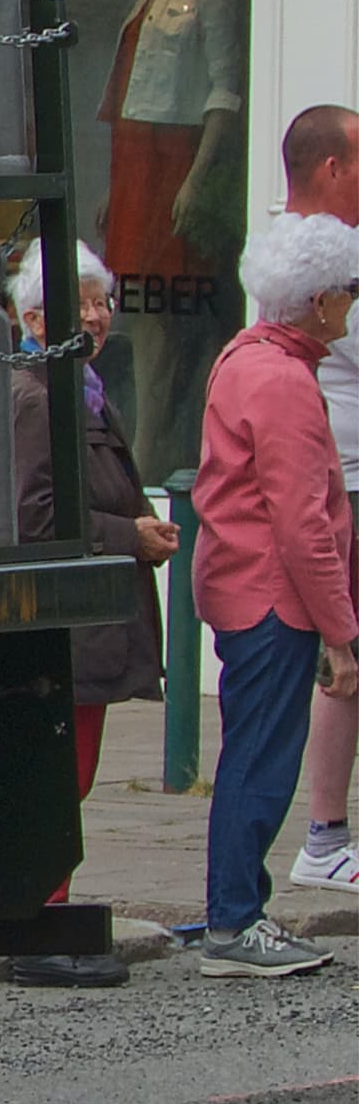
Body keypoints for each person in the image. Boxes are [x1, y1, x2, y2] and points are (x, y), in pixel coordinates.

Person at [188, 212, 359, 976]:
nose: (352, 306)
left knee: (250, 754)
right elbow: (302, 522)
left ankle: (237, 910)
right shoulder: (284, 380)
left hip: (245, 586)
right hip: (271, 596)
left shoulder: (245, 357)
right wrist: (342, 633)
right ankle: (235, 921)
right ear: (319, 300)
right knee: (260, 761)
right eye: (348, 292)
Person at [3, 243, 172, 989]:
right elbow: (35, 518)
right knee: (57, 777)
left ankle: (52, 916)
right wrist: (127, 535)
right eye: (82, 303)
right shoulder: (41, 397)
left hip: (92, 625)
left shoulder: (81, 387)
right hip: (65, 627)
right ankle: (40, 926)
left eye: (104, 301)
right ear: (35, 317)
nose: (99, 316)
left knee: (74, 774)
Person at [101, 0, 249, 481]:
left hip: (173, 161)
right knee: (137, 312)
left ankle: (152, 454)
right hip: (138, 160)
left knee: (164, 315)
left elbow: (224, 89)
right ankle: (144, 448)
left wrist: (195, 178)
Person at [278, 107, 359, 891]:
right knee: (345, 662)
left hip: (337, 477)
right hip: (346, 480)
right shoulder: (319, 259)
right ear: (331, 167)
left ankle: (328, 834)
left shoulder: (288, 245)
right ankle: (326, 836)